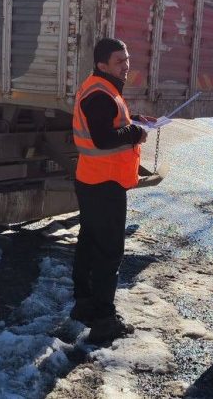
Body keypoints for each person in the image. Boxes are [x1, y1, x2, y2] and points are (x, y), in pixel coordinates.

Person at [69, 37, 150, 344]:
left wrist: (136, 122)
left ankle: (84, 304)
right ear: (102, 64)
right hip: (104, 184)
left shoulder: (101, 87)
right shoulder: (101, 92)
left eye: (127, 59)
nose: (126, 65)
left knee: (90, 242)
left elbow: (108, 126)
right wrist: (136, 132)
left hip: (94, 180)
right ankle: (104, 318)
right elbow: (104, 138)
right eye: (119, 61)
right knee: (108, 252)